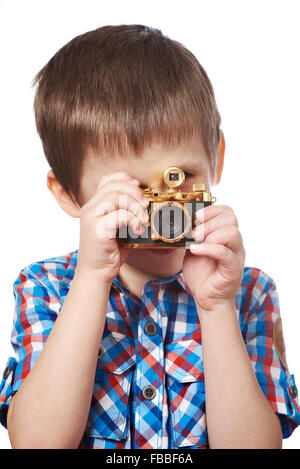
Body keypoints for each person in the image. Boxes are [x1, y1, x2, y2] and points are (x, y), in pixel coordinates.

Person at [0, 24, 299, 449]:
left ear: (217, 157)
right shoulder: (46, 287)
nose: (165, 209)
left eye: (183, 178)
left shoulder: (248, 292)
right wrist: (91, 279)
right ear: (69, 195)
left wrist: (216, 309)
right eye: (131, 192)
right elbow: (36, 444)